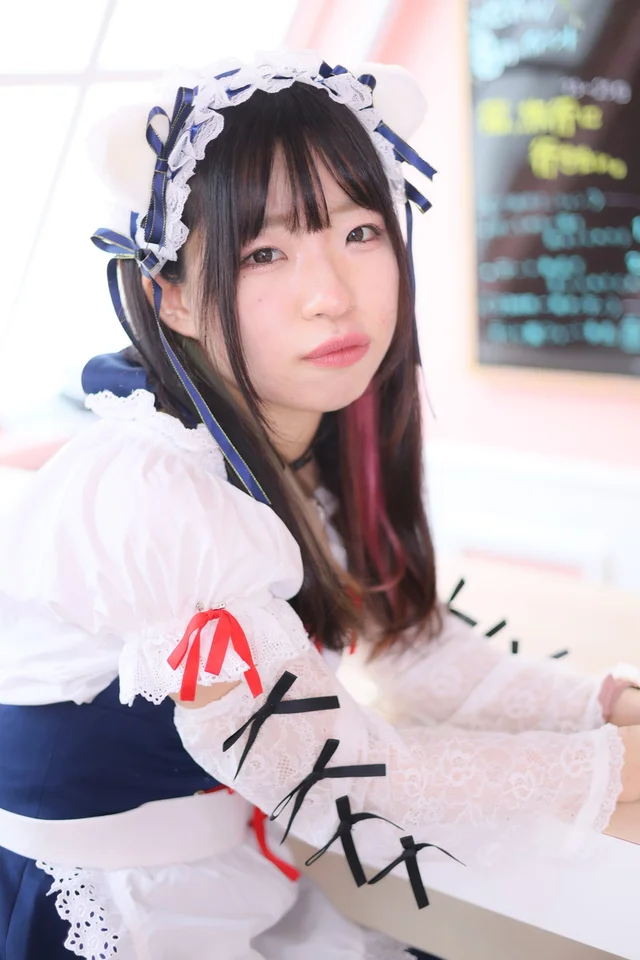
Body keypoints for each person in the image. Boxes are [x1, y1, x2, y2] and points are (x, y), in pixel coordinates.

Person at [0, 52, 639, 960]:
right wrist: (609, 767)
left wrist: (601, 704)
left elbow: (413, 651)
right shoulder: (156, 492)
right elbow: (331, 773)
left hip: (230, 885)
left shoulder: (290, 441)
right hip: (115, 918)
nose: (332, 296)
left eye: (360, 231)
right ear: (170, 297)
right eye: (265, 252)